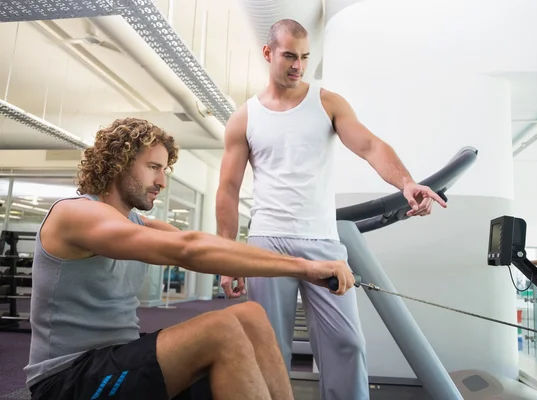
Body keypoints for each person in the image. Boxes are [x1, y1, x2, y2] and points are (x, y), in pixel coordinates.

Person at [23, 117, 356, 400]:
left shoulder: (139, 223)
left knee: (251, 315)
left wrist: (271, 265)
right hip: (68, 379)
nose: (161, 182)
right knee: (220, 329)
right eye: (153, 167)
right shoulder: (75, 215)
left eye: (164, 170)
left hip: (120, 359)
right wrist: (304, 267)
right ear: (118, 163)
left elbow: (210, 246)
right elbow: (187, 248)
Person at [216, 18, 448, 399]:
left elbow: (370, 145)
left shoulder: (327, 102)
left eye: (305, 57)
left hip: (321, 240)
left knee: (347, 345)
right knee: (268, 351)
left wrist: (406, 183)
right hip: (266, 243)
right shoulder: (245, 117)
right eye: (289, 55)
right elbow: (227, 189)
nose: (298, 66)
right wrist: (227, 255)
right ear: (268, 53)